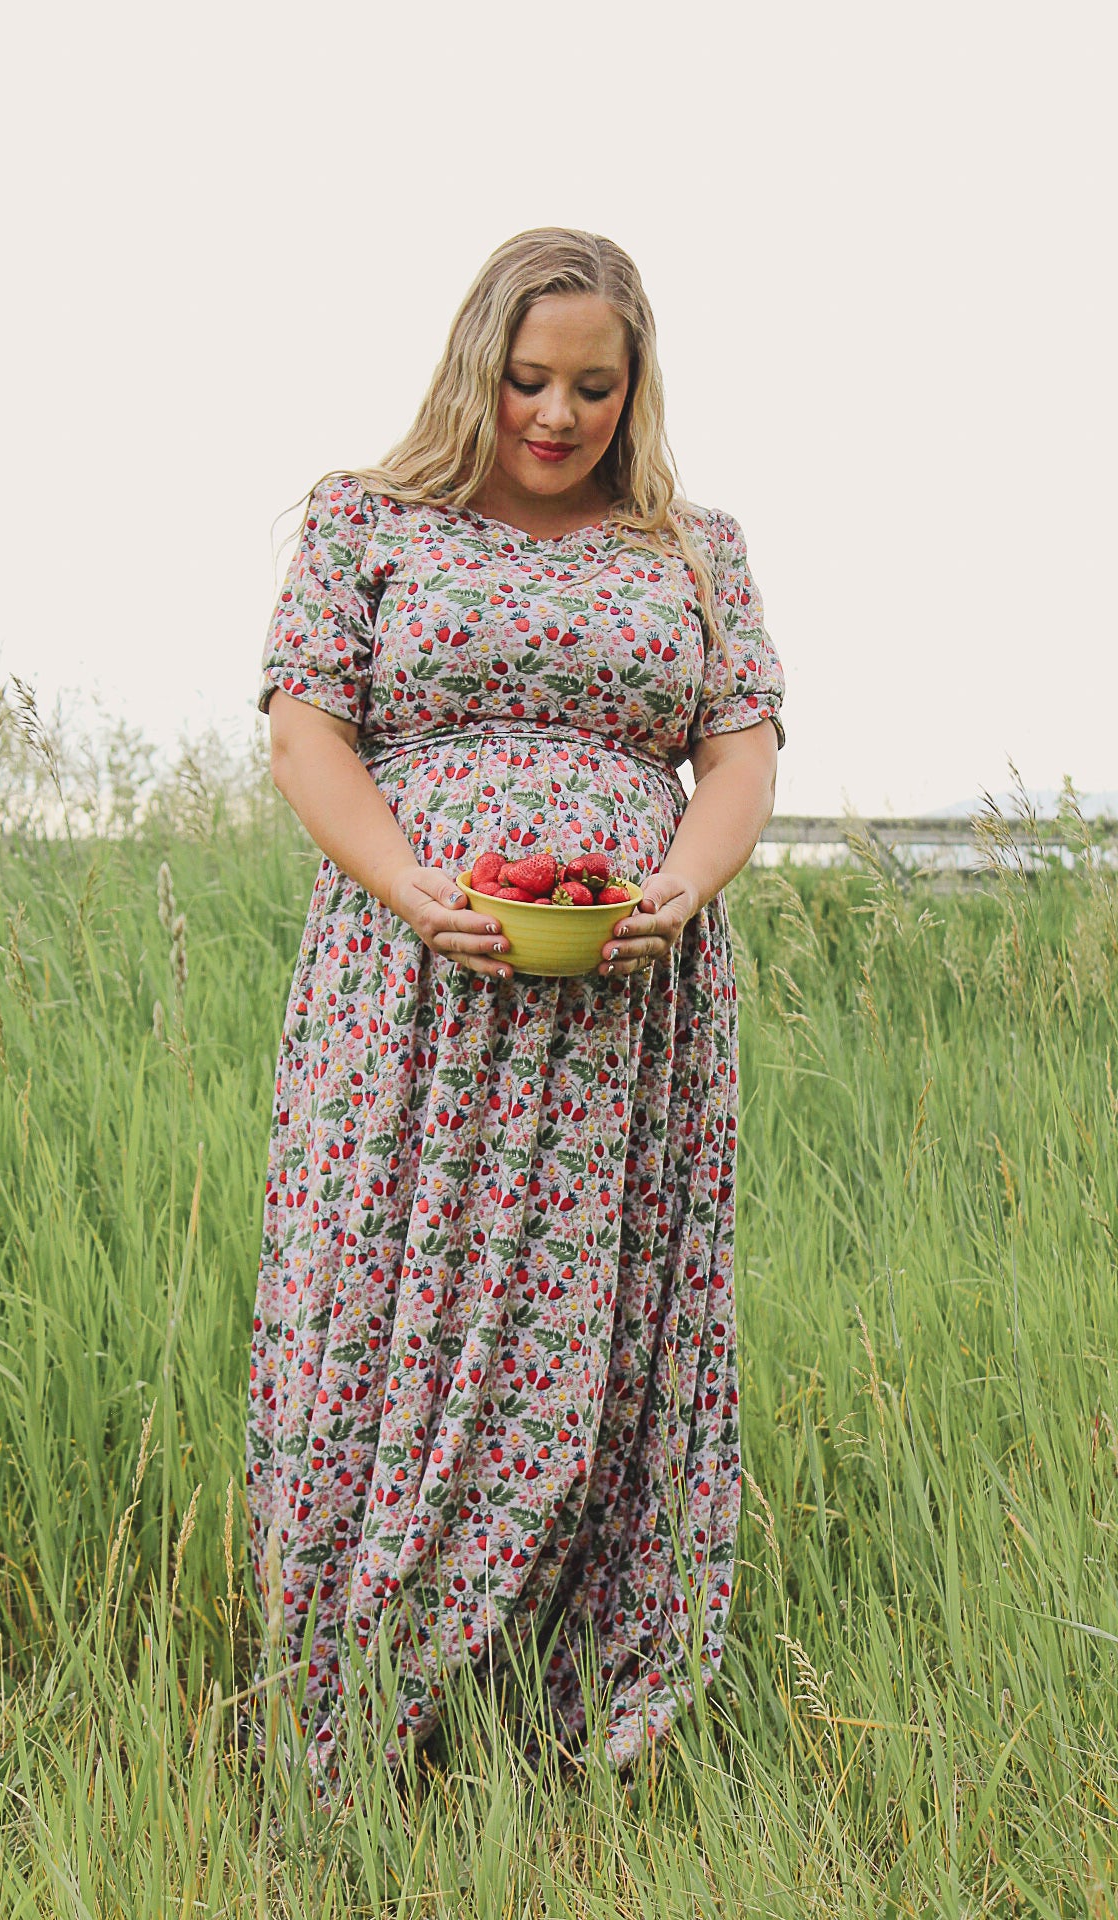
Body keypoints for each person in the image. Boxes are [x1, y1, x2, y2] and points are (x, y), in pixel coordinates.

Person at [242, 226, 784, 1790]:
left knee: (610, 1322)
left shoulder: (694, 547)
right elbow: (307, 731)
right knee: (381, 1309)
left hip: (634, 1008)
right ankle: (363, 1702)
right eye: (529, 377)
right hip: (408, 990)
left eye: (593, 386)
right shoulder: (365, 520)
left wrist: (681, 883)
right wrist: (414, 887)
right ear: (478, 361)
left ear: (637, 385)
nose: (556, 414)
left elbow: (739, 751)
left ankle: (585, 1721)